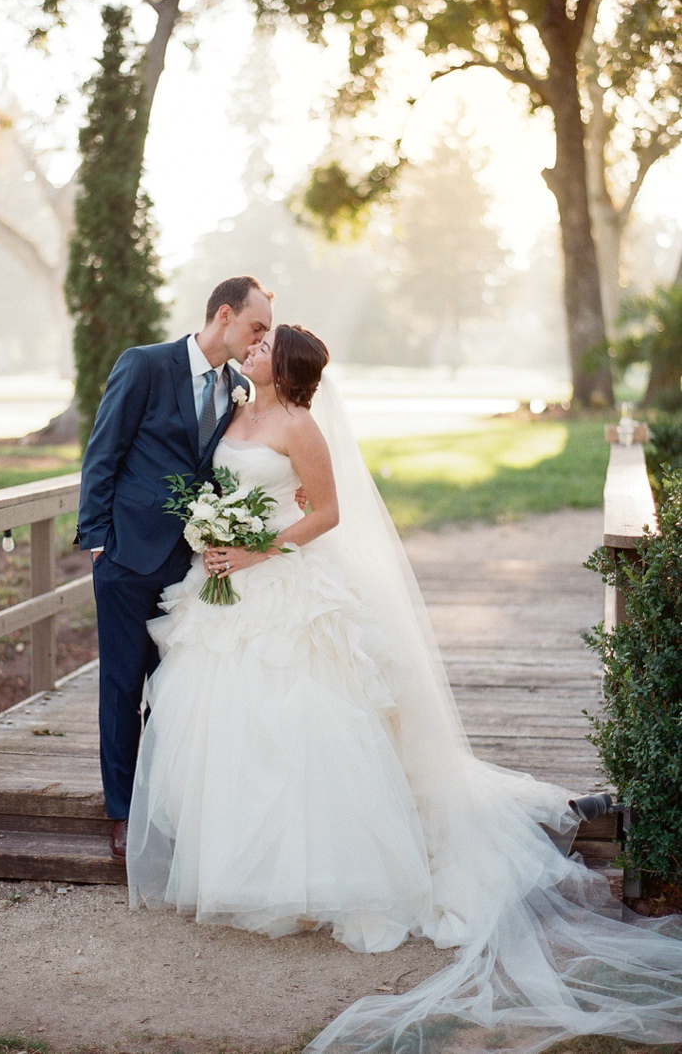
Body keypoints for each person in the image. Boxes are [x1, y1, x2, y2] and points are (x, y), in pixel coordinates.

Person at [127, 324, 682, 1054]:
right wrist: (212, 534)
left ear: (285, 367)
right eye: (253, 343)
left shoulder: (300, 425)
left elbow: (325, 513)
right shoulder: (232, 409)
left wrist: (256, 550)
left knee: (304, 721)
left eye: (264, 347)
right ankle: (239, 872)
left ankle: (317, 879)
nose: (252, 349)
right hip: (224, 582)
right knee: (225, 721)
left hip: (279, 581)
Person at [75, 276, 274, 860]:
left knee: (176, 688)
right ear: (224, 315)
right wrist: (96, 541)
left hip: (191, 565)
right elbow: (102, 452)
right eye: (256, 328)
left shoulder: (238, 387)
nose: (261, 340)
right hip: (126, 555)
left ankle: (163, 801)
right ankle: (122, 811)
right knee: (121, 683)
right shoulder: (144, 365)